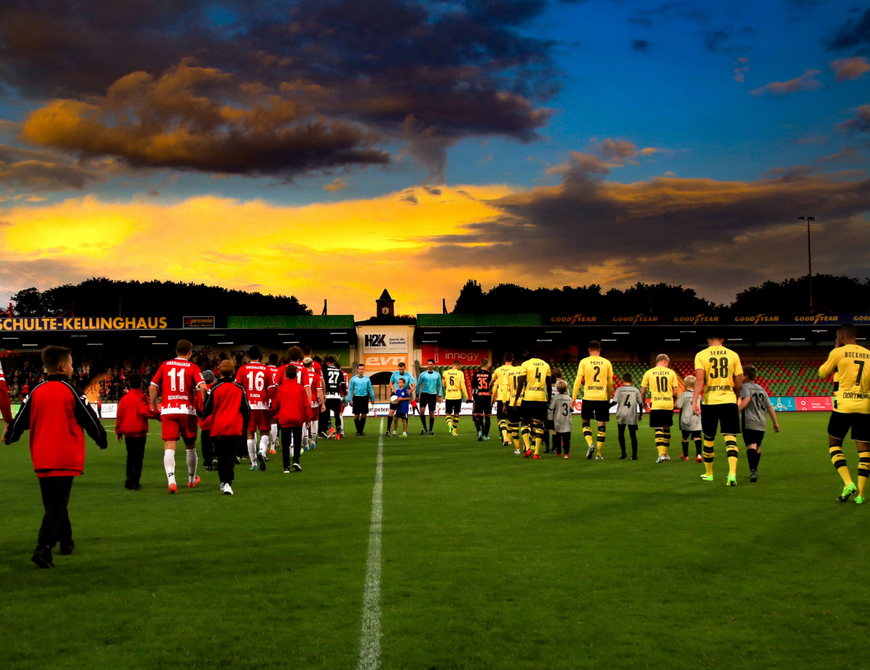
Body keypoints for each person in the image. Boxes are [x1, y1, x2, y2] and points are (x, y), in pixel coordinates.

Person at [4, 345, 107, 568]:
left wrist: (11, 435)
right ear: (63, 366)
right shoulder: (72, 390)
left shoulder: (35, 390)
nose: (72, 368)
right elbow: (89, 419)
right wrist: (101, 438)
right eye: (71, 364)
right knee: (57, 504)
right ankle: (44, 547)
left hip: (41, 455)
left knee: (54, 503)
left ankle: (66, 541)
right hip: (65, 455)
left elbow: (20, 418)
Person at [818, 323, 870, 503]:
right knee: (864, 450)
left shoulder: (838, 352)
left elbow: (822, 373)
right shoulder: (869, 354)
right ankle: (861, 494)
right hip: (865, 406)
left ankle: (848, 483)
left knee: (834, 444)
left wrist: (835, 351)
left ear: (840, 336)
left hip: (843, 406)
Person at [150, 339, 207, 494]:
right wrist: (205, 405)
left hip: (169, 411)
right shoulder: (193, 367)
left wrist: (156, 408)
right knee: (190, 447)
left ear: (176, 351)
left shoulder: (165, 365)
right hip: (187, 411)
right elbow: (203, 387)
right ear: (189, 353)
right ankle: (191, 479)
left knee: (169, 448)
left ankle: (172, 481)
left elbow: (152, 388)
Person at [692, 334, 743, 486]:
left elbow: (700, 380)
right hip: (728, 400)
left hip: (710, 401)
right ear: (723, 339)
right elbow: (739, 381)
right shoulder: (733, 355)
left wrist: (694, 400)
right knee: (731, 438)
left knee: (708, 438)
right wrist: (737, 396)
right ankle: (732, 473)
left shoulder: (701, 355)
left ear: (708, 339)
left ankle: (709, 473)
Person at [201, 360, 250, 495]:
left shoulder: (215, 389)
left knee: (221, 455)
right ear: (234, 372)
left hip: (219, 427)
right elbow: (246, 410)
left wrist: (202, 415)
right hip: (234, 426)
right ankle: (228, 481)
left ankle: (224, 481)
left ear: (219, 372)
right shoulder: (239, 389)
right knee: (229, 455)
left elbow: (208, 409)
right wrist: (244, 424)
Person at [738, 365, 780, 483]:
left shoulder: (745, 387)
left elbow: (747, 400)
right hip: (762, 422)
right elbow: (770, 407)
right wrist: (775, 423)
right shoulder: (761, 388)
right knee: (758, 446)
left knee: (751, 445)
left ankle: (753, 471)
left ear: (745, 376)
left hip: (749, 421)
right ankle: (755, 470)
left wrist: (737, 410)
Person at [572, 340, 614, 460]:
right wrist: (608, 397)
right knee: (601, 425)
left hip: (588, 397)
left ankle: (590, 444)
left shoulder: (584, 362)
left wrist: (574, 398)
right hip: (601, 397)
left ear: (589, 350)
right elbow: (610, 383)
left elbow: (578, 381)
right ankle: (599, 454)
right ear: (600, 350)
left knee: (585, 422)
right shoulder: (607, 363)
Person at [115, 373, 156, 490]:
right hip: (139, 431)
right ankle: (135, 482)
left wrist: (118, 431)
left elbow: (120, 415)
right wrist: (158, 415)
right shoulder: (142, 397)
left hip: (128, 432)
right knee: (138, 458)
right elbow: (144, 411)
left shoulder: (124, 398)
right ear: (141, 384)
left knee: (130, 456)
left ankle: (129, 479)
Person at [235, 346, 271, 472]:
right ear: (260, 355)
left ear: (248, 356)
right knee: (265, 432)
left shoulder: (242, 369)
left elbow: (238, 388)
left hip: (248, 406)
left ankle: (254, 462)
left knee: (250, 433)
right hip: (263, 405)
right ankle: (262, 451)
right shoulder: (266, 370)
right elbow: (271, 389)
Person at [641, 354, 681, 463]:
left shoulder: (649, 372)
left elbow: (643, 391)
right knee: (667, 428)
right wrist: (673, 400)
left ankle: (660, 454)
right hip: (668, 403)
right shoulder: (671, 373)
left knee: (658, 428)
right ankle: (666, 453)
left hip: (656, 404)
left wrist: (643, 401)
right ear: (664, 361)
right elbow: (676, 391)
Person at [271, 363, 309, 472]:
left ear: (285, 375)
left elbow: (276, 404)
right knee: (297, 441)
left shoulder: (281, 388)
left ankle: (286, 466)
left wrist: (272, 413)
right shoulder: (300, 388)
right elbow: (305, 404)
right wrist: (308, 418)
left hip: (285, 419)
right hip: (298, 418)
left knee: (285, 443)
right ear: (296, 375)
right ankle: (296, 461)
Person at [514, 350, 552, 459]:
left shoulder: (525, 364)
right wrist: (549, 398)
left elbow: (521, 382)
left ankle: (528, 448)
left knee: (525, 422)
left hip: (528, 398)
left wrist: (516, 399)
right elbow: (548, 384)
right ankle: (537, 453)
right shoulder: (546, 365)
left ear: (530, 354)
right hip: (541, 398)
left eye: (525, 353)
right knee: (539, 424)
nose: (523, 355)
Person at [613, 373, 643, 460]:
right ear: (632, 381)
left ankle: (623, 452)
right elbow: (640, 403)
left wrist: (606, 407)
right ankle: (634, 455)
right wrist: (640, 414)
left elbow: (614, 402)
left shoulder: (619, 390)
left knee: (621, 434)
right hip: (632, 415)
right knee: (633, 435)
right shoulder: (636, 390)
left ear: (622, 381)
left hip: (621, 414)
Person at [675, 376, 703, 462]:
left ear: (685, 384)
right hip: (696, 418)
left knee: (685, 438)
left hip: (685, 419)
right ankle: (698, 455)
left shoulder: (684, 395)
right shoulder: (699, 396)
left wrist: (673, 404)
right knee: (697, 437)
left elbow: (678, 406)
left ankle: (686, 456)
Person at [322, 355, 348, 440]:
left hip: (327, 395)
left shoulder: (325, 371)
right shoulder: (339, 371)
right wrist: (344, 395)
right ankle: (338, 433)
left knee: (326, 413)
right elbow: (343, 384)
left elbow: (323, 383)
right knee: (337, 415)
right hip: (336, 396)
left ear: (328, 362)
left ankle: (331, 427)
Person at [386, 361, 415, 436]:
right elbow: (391, 383)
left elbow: (413, 385)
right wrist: (395, 390)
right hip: (395, 394)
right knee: (391, 412)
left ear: (405, 368)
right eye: (400, 369)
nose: (401, 370)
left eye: (402, 369)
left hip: (404, 394)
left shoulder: (409, 375)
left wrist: (411, 390)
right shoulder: (395, 374)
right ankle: (388, 430)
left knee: (404, 413)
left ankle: (405, 431)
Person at [416, 359, 443, 435]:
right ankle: (425, 428)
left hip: (433, 395)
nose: (430, 365)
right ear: (427, 365)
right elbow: (418, 385)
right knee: (422, 411)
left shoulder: (437, 374)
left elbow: (440, 385)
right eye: (428, 364)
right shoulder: (423, 374)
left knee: (431, 413)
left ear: (433, 365)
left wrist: (440, 395)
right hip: (424, 394)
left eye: (431, 364)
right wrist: (417, 394)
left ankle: (431, 430)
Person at [442, 360, 469, 436]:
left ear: (452, 364)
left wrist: (446, 386)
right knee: (456, 414)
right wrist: (466, 396)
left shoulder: (445, 372)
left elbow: (443, 384)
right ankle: (454, 431)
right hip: (457, 396)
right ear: (458, 366)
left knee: (448, 413)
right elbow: (463, 385)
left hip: (449, 396)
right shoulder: (460, 373)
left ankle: (450, 424)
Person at [197, 370, 217, 470]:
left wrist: (200, 417)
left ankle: (208, 463)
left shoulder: (200, 391)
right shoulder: (216, 389)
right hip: (215, 421)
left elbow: (196, 407)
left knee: (206, 444)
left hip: (204, 422)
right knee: (217, 442)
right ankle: (216, 458)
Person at [348, 364, 375, 436]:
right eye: (359, 369)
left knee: (364, 415)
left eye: (362, 369)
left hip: (364, 398)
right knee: (356, 415)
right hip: (356, 398)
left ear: (364, 370)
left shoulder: (367, 379)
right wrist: (350, 400)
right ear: (357, 370)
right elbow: (350, 389)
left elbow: (370, 388)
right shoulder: (353, 379)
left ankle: (361, 431)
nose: (361, 370)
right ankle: (358, 430)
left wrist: (372, 398)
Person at [471, 359, 494, 441]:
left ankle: (479, 432)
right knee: (487, 417)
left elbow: (473, 387)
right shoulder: (490, 374)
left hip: (479, 396)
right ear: (487, 364)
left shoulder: (475, 374)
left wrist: (474, 398)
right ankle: (485, 435)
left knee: (477, 415)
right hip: (487, 396)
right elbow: (492, 386)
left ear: (481, 364)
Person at [551, 380, 573, 458]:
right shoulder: (569, 398)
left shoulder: (555, 398)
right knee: (567, 438)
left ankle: (558, 451)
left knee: (558, 437)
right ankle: (566, 453)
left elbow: (551, 408)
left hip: (557, 419)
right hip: (567, 420)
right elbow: (572, 409)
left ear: (557, 389)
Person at [265, 353, 281, 453]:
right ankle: (272, 447)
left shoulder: (265, 370)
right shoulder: (280, 371)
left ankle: (265, 444)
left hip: (263, 399)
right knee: (274, 422)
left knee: (264, 424)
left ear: (269, 360)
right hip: (275, 398)